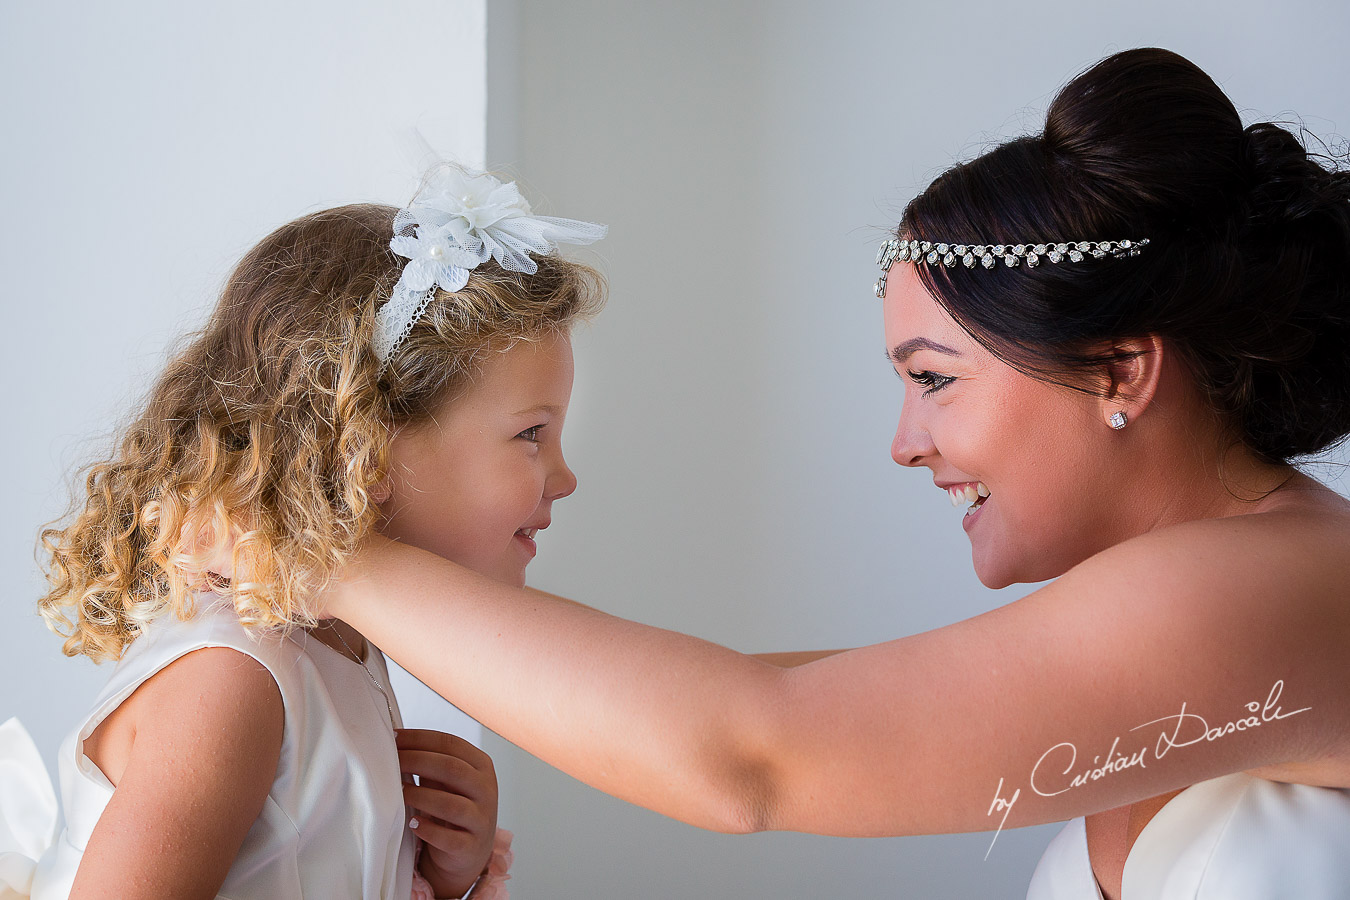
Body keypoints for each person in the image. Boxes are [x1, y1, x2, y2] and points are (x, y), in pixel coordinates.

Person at [296, 49, 1350, 899]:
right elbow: (762, 695)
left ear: (1120, 369)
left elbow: (755, 751)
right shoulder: (1215, 584)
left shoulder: (1286, 583)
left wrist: (303, 549)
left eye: (934, 380)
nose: (905, 442)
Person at [10, 164, 605, 899]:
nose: (565, 476)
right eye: (531, 435)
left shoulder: (339, 646)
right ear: (369, 447)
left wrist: (441, 875)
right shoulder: (232, 682)